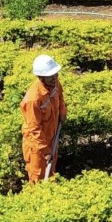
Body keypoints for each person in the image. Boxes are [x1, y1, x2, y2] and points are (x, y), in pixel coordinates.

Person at [20, 54, 67, 183]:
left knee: (51, 172)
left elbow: (61, 97)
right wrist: (46, 151)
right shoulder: (33, 99)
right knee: (38, 177)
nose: (55, 77)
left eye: (56, 74)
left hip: (52, 137)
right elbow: (34, 128)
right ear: (41, 77)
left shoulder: (54, 82)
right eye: (51, 76)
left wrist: (62, 111)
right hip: (37, 145)